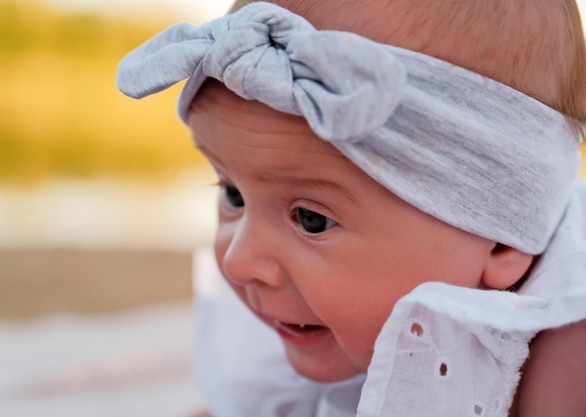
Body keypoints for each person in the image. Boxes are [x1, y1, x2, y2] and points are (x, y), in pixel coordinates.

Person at [117, 1, 586, 416]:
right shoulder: (329, 318)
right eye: (233, 194)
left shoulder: (568, 364)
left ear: (504, 240)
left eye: (312, 219)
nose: (240, 263)